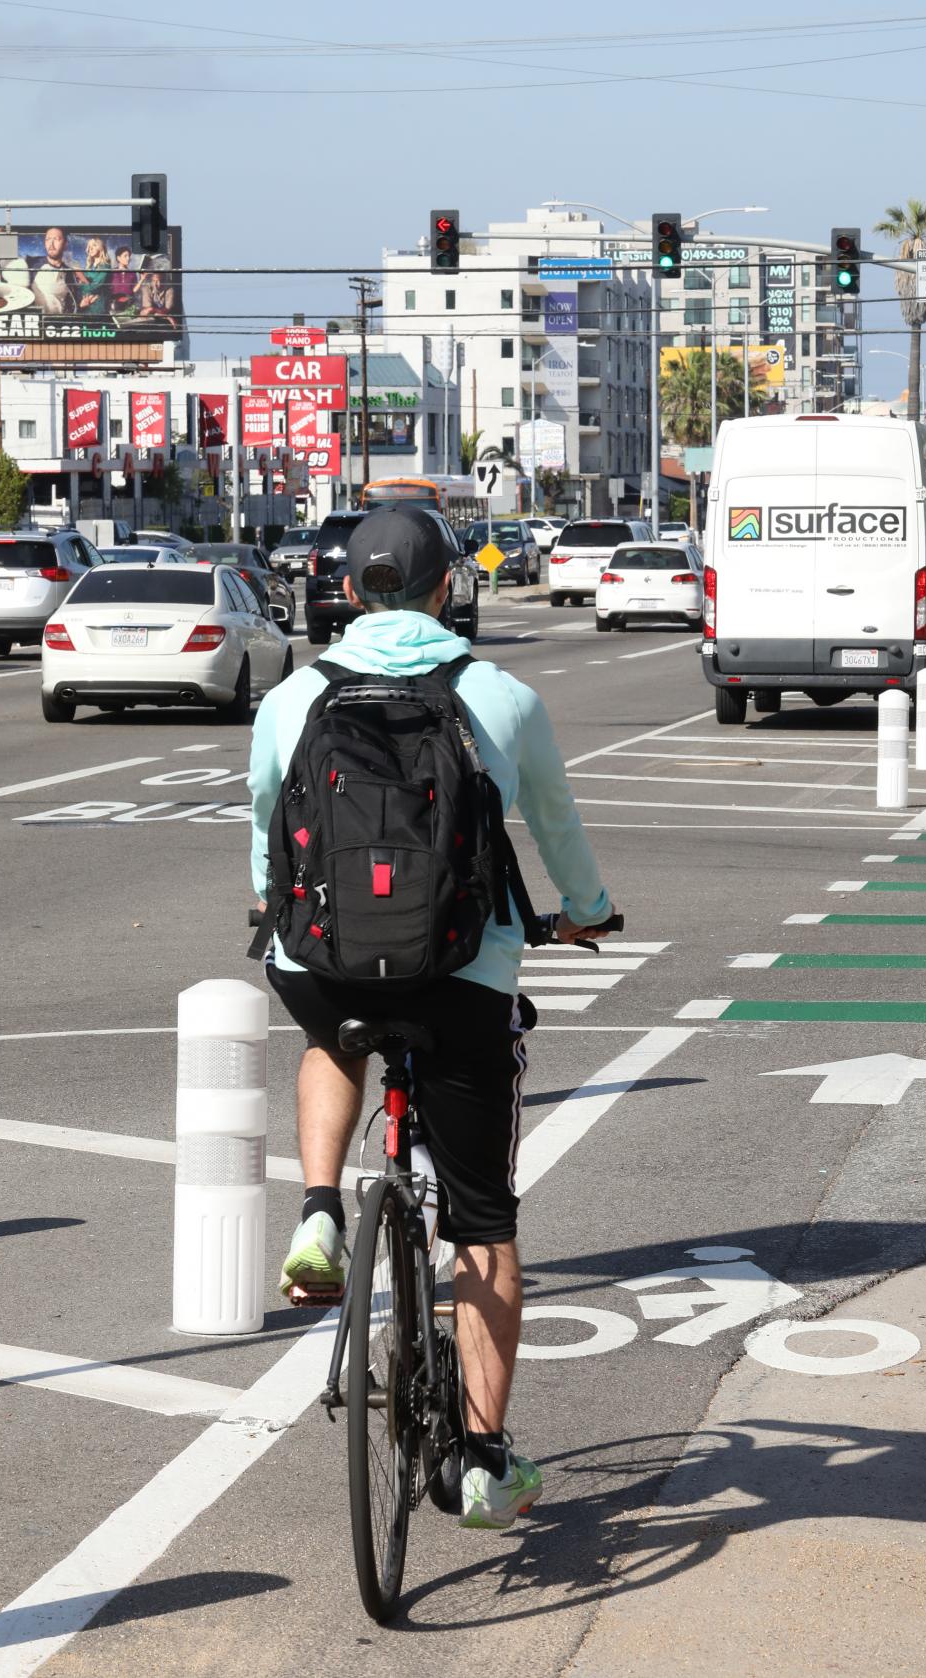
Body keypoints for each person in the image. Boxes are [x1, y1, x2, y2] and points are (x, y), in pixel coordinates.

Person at [248, 504, 615, 1531]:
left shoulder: (293, 697)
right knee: (486, 1227)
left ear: (353, 591)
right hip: (458, 974)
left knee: (331, 1036)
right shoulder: (498, 695)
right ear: (447, 587)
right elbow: (557, 826)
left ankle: (321, 1207)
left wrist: (275, 921)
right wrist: (584, 915)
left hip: (323, 962)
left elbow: (266, 833)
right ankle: (483, 1462)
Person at [30, 226, 77, 315]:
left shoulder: (69, 273)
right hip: (35, 323)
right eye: (48, 239)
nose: (51, 244)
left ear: (65, 244)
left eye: (56, 239)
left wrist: (82, 305)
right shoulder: (32, 264)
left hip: (57, 324)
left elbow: (71, 303)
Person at [76, 238, 111, 313]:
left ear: (101, 247)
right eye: (89, 246)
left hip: (98, 307)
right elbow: (80, 288)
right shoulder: (89, 267)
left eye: (94, 245)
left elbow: (96, 286)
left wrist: (83, 280)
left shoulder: (105, 266)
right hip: (84, 305)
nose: (90, 248)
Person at [109, 247, 137, 317]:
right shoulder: (112, 272)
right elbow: (107, 289)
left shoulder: (132, 273)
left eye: (129, 256)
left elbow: (134, 290)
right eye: (125, 256)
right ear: (118, 258)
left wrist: (142, 279)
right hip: (115, 304)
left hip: (129, 303)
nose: (128, 258)